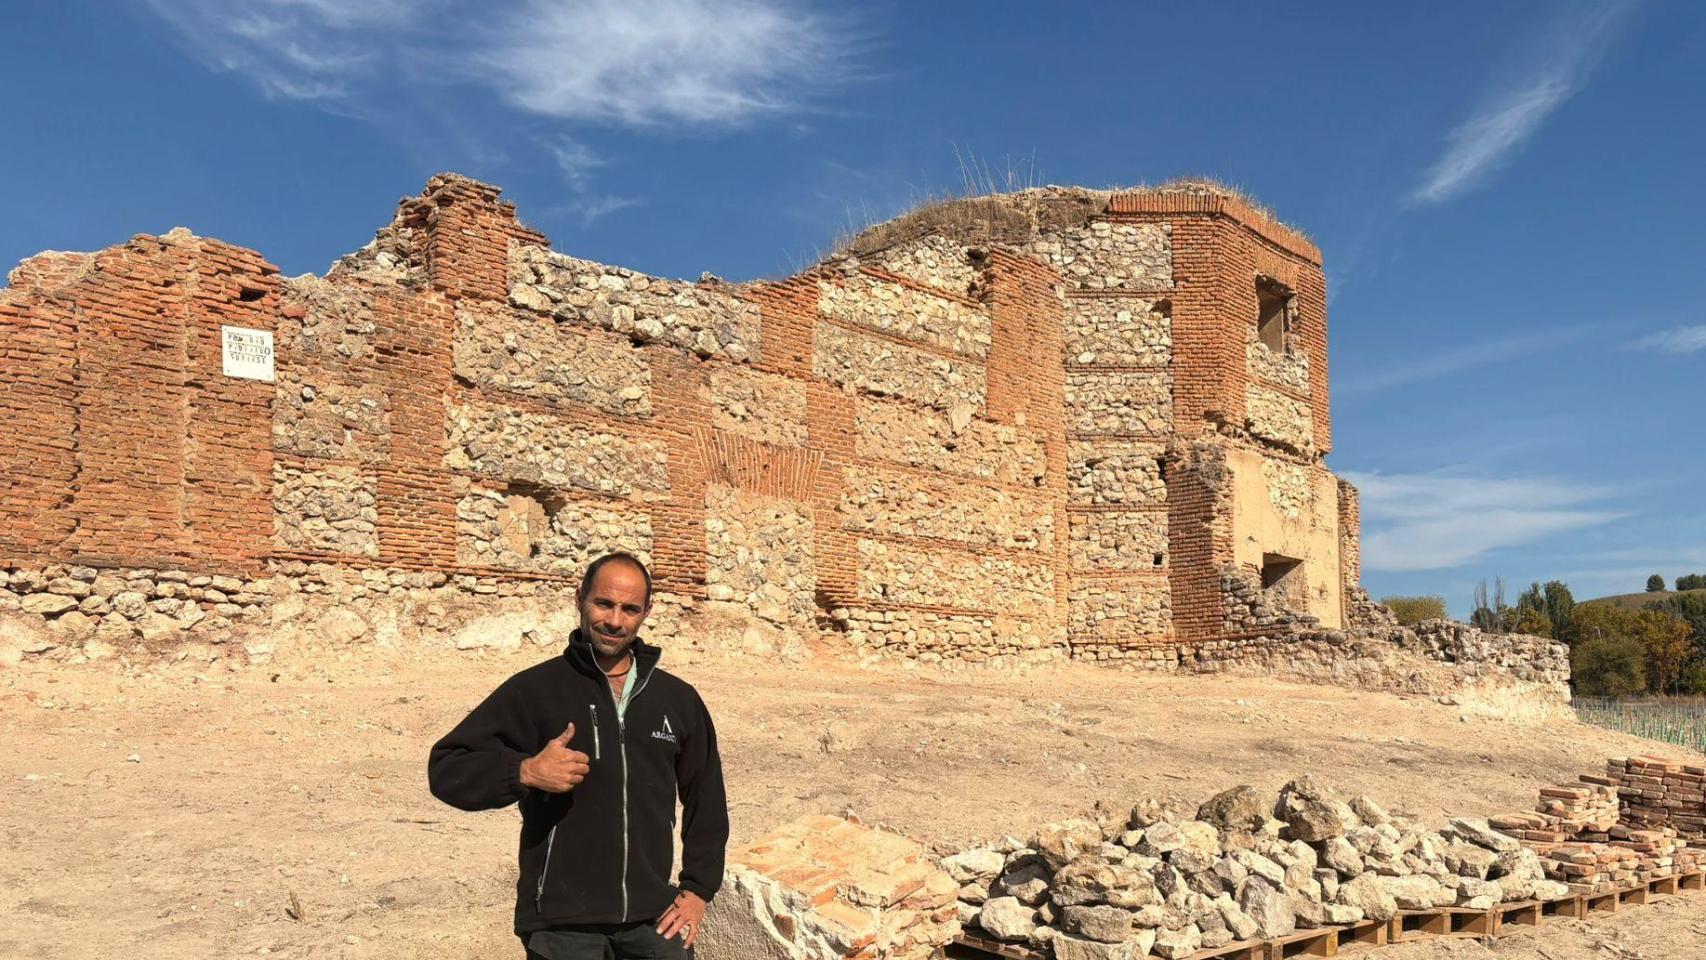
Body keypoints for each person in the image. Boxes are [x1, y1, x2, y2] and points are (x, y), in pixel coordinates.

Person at [429, 552, 728, 959]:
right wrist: (525, 771)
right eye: (603, 603)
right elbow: (447, 766)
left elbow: (705, 797)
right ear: (580, 599)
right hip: (561, 924)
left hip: (652, 918)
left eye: (630, 609)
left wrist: (697, 889)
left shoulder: (677, 699)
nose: (615, 621)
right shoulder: (536, 690)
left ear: (646, 613)